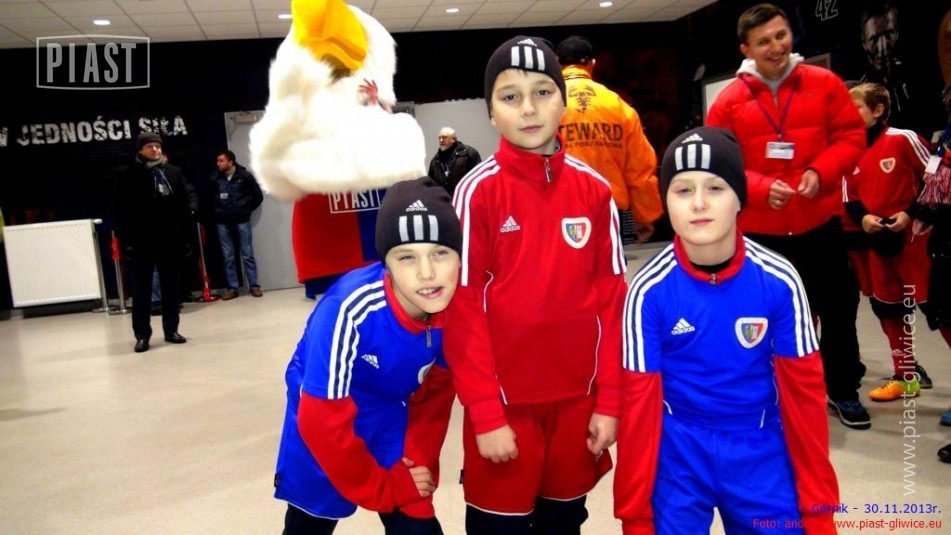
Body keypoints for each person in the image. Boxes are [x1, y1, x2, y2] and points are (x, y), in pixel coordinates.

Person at [616, 126, 838, 534]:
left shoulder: (780, 280)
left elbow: (805, 398)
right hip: (678, 452)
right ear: (665, 201)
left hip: (760, 446)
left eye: (715, 188)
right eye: (683, 190)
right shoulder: (648, 291)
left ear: (740, 197)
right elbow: (638, 406)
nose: (699, 203)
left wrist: (818, 508)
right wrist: (636, 516)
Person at [444, 35, 625, 534]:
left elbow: (613, 303)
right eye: (510, 96)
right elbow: (462, 309)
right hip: (506, 407)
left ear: (564, 102)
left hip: (578, 405)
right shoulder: (476, 192)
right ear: (491, 112)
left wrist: (610, 401)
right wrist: (485, 412)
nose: (528, 108)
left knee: (564, 522)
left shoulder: (595, 190)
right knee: (498, 526)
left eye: (543, 92)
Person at [706, 3, 869, 429]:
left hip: (820, 224)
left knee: (839, 310)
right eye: (764, 41)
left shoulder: (824, 84)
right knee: (761, 317)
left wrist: (821, 171)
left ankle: (843, 389)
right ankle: (765, 392)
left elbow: (851, 137)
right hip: (761, 234)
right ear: (746, 49)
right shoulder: (729, 102)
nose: (776, 47)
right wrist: (760, 187)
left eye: (781, 35)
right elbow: (719, 162)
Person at [274, 176, 460, 534]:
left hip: (391, 416)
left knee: (417, 526)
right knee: (309, 524)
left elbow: (435, 399)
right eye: (407, 257)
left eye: (440, 252)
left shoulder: (458, 309)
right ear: (385, 263)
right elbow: (321, 420)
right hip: (321, 418)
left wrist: (415, 466)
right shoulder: (347, 308)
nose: (427, 273)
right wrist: (381, 488)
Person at [844, 83, 933, 401]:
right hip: (877, 242)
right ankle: (905, 377)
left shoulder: (903, 138)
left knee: (939, 311)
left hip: (916, 240)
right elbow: (849, 196)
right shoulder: (849, 150)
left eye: (855, 107)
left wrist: (911, 214)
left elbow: (937, 178)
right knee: (888, 310)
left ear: (878, 109)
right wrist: (864, 219)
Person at [556, 35, 662, 243]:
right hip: (608, 209)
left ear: (558, 64)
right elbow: (639, 168)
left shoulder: (548, 104)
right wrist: (644, 215)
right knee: (609, 263)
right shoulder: (618, 106)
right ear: (592, 64)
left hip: (561, 208)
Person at [114, 132, 192, 353]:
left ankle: (171, 330)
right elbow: (121, 211)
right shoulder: (127, 174)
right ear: (140, 150)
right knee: (142, 291)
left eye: (158, 146)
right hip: (142, 241)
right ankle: (142, 335)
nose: (155, 150)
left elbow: (184, 206)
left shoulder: (173, 173)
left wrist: (186, 237)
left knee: (171, 289)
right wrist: (126, 241)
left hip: (170, 240)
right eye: (150, 146)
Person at [212, 150, 264, 300]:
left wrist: (246, 209)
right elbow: (210, 197)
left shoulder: (244, 176)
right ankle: (232, 288)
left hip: (241, 219)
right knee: (228, 257)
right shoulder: (215, 177)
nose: (218, 164)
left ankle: (254, 286)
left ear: (230, 162)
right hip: (223, 221)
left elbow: (258, 196)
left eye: (221, 160)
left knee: (247, 254)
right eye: (218, 161)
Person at [426, 127, 481, 197]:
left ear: (453, 139)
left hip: (465, 198)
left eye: (444, 137)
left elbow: (479, 178)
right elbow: (431, 185)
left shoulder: (469, 154)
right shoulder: (435, 161)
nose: (441, 140)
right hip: (445, 201)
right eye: (439, 138)